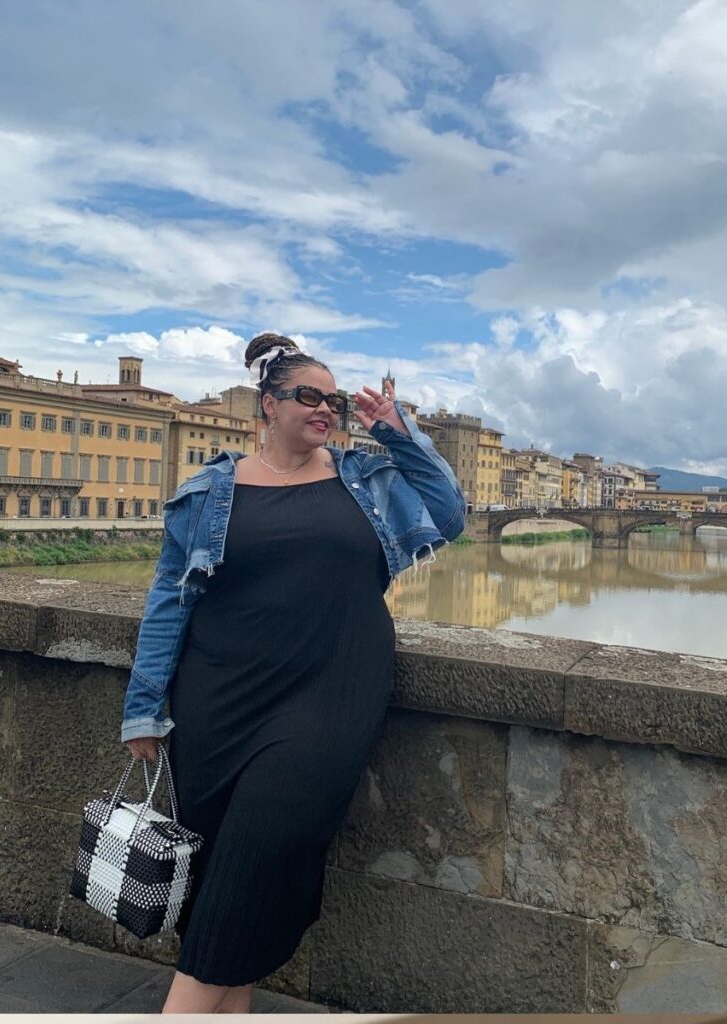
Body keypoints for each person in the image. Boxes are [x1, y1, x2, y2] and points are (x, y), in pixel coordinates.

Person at [119, 332, 465, 1014]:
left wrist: (398, 432)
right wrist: (144, 706)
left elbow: (449, 514)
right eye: (309, 396)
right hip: (218, 701)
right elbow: (169, 600)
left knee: (256, 857)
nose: (326, 409)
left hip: (330, 694)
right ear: (269, 405)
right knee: (227, 879)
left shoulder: (364, 479)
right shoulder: (209, 491)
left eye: (335, 401)